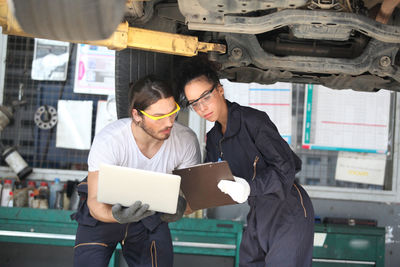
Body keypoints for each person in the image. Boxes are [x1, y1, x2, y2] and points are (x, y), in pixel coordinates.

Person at [176, 57, 314, 267]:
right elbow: (209, 186)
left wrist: (249, 186)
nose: (202, 108)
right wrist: (176, 204)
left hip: (288, 208)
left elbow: (286, 169)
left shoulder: (253, 121)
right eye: (194, 104)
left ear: (220, 90)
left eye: (205, 97)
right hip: (258, 212)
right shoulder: (213, 139)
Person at [72, 75, 201, 267]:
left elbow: (193, 199)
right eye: (158, 117)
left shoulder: (186, 140)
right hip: (105, 213)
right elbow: (94, 202)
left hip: (151, 217)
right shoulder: (110, 140)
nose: (169, 122)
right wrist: (116, 216)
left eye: (172, 112)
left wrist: (182, 207)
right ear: (136, 116)